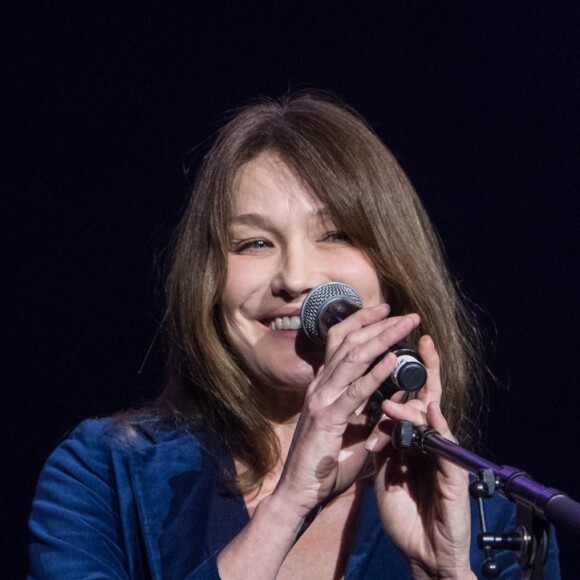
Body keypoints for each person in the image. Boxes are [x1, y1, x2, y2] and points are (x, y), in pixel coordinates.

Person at [28, 93, 560, 579]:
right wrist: (289, 503)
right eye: (255, 243)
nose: (296, 278)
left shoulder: (496, 517)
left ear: (393, 275)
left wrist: (446, 574)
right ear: (209, 281)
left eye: (335, 235)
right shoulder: (105, 471)